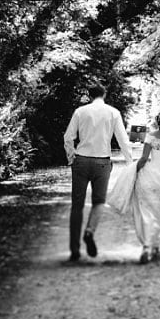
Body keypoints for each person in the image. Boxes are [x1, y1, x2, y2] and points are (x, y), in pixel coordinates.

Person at [63, 83, 135, 263]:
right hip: (102, 162)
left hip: (81, 161)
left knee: (77, 205)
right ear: (104, 94)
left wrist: (71, 157)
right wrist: (130, 162)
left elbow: (68, 137)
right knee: (98, 202)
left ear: (89, 95)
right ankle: (89, 231)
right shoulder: (113, 112)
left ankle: (74, 250)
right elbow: (122, 140)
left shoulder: (80, 111)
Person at [109, 108, 160, 263]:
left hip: (150, 177)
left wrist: (134, 172)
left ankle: (148, 246)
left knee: (146, 212)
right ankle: (153, 244)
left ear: (159, 120)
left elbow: (144, 159)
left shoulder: (151, 136)